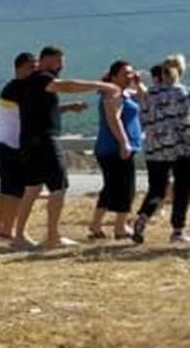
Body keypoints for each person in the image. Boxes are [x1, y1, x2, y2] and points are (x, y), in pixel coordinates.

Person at [13, 46, 118, 251]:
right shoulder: (42, 77)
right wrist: (102, 85)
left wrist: (69, 108)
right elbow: (67, 86)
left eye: (62, 62)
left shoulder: (30, 82)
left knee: (32, 189)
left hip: (29, 141)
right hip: (44, 141)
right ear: (44, 61)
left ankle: (19, 235)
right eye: (57, 61)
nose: (61, 66)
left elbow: (41, 109)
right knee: (58, 188)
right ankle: (53, 236)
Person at [133, 56, 190, 245]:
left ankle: (142, 219)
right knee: (182, 189)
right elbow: (185, 123)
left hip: (154, 147)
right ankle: (177, 230)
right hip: (180, 148)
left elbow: (144, 119)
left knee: (157, 188)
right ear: (180, 71)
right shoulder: (182, 93)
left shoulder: (149, 93)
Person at [87, 62, 143, 240]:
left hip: (115, 148)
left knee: (111, 187)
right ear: (114, 76)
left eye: (131, 73)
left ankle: (96, 225)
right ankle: (120, 227)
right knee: (126, 188)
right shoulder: (114, 93)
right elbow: (114, 119)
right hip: (114, 149)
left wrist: (138, 82)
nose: (129, 76)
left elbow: (144, 96)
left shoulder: (124, 93)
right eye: (125, 73)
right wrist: (124, 143)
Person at [0, 52, 35, 240]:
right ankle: (7, 230)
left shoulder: (10, 88)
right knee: (15, 193)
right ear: (20, 67)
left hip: (1, 145)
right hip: (11, 147)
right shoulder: (19, 89)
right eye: (31, 67)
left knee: (5, 191)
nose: (35, 71)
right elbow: (34, 113)